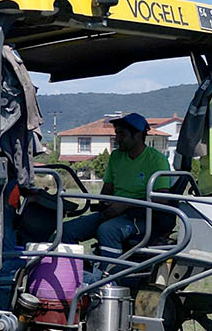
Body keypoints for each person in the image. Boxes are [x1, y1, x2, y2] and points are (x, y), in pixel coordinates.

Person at [60, 113, 173, 264]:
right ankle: (78, 274)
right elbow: (107, 189)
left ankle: (110, 279)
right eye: (116, 134)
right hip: (115, 213)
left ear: (138, 135)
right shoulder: (116, 157)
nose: (117, 139)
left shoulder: (157, 160)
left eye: (122, 134)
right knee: (67, 230)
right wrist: (104, 206)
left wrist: (125, 205)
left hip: (142, 216)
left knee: (108, 231)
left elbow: (162, 199)